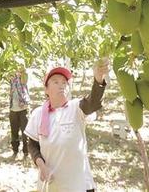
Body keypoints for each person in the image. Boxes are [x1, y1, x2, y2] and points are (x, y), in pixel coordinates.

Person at [25, 59, 109, 192]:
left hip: (79, 185)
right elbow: (33, 144)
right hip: (51, 185)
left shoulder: (76, 107)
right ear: (46, 89)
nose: (62, 85)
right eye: (56, 82)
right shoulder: (38, 114)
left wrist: (98, 80)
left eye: (65, 82)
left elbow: (92, 103)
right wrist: (41, 165)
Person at [9, 64, 31, 161]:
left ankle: (26, 152)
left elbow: (23, 81)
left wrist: (21, 72)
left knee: (25, 131)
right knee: (14, 132)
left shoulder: (23, 77)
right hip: (13, 109)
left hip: (23, 109)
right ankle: (15, 151)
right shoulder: (11, 78)